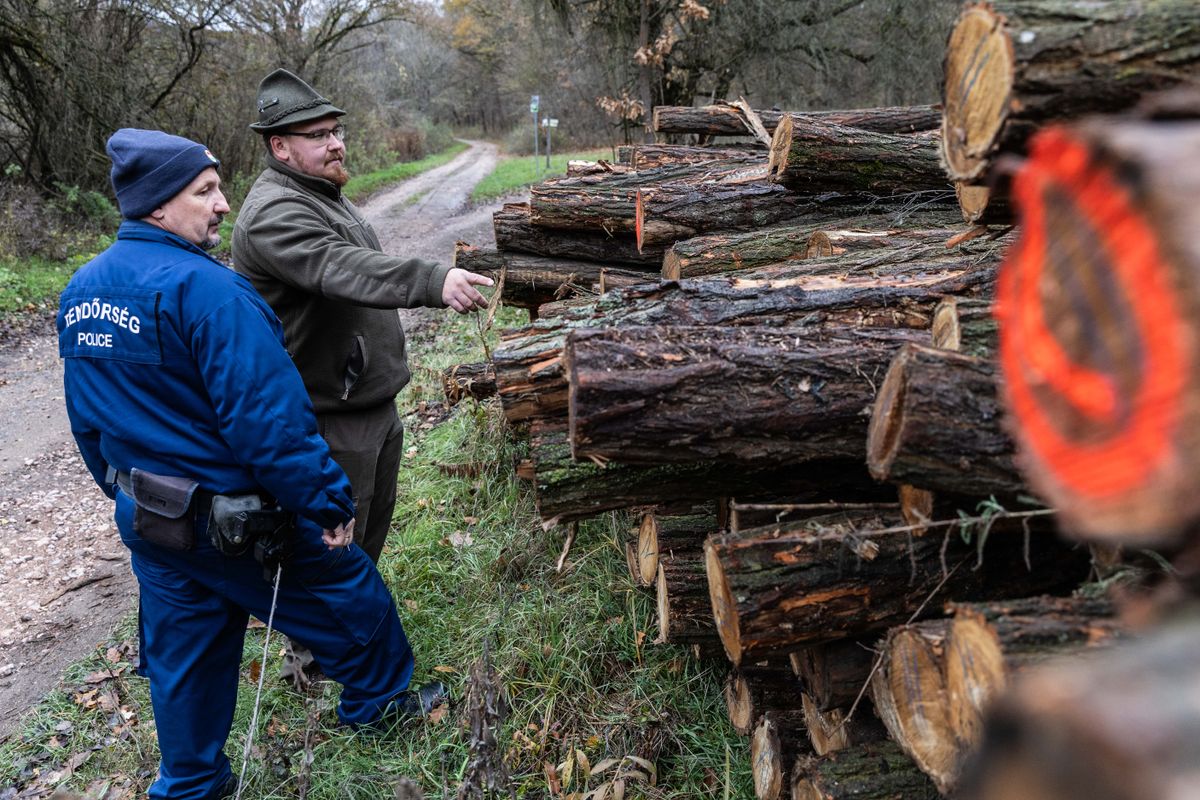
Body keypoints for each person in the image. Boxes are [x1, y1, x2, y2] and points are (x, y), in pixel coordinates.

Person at [59, 128, 443, 800]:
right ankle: (378, 707)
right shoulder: (214, 294)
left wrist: (125, 494)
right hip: (244, 526)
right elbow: (270, 425)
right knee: (357, 601)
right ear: (156, 206)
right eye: (205, 192)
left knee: (185, 660)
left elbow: (89, 424)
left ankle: (190, 785)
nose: (222, 204)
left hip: (153, 520)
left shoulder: (83, 291)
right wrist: (326, 503)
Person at [232, 69, 494, 570]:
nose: (336, 145)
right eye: (319, 135)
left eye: (336, 131)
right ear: (279, 146)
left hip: (370, 407)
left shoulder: (321, 192)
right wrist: (430, 280)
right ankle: (315, 653)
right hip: (329, 424)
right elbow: (341, 268)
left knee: (363, 559)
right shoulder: (273, 212)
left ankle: (359, 647)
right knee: (330, 573)